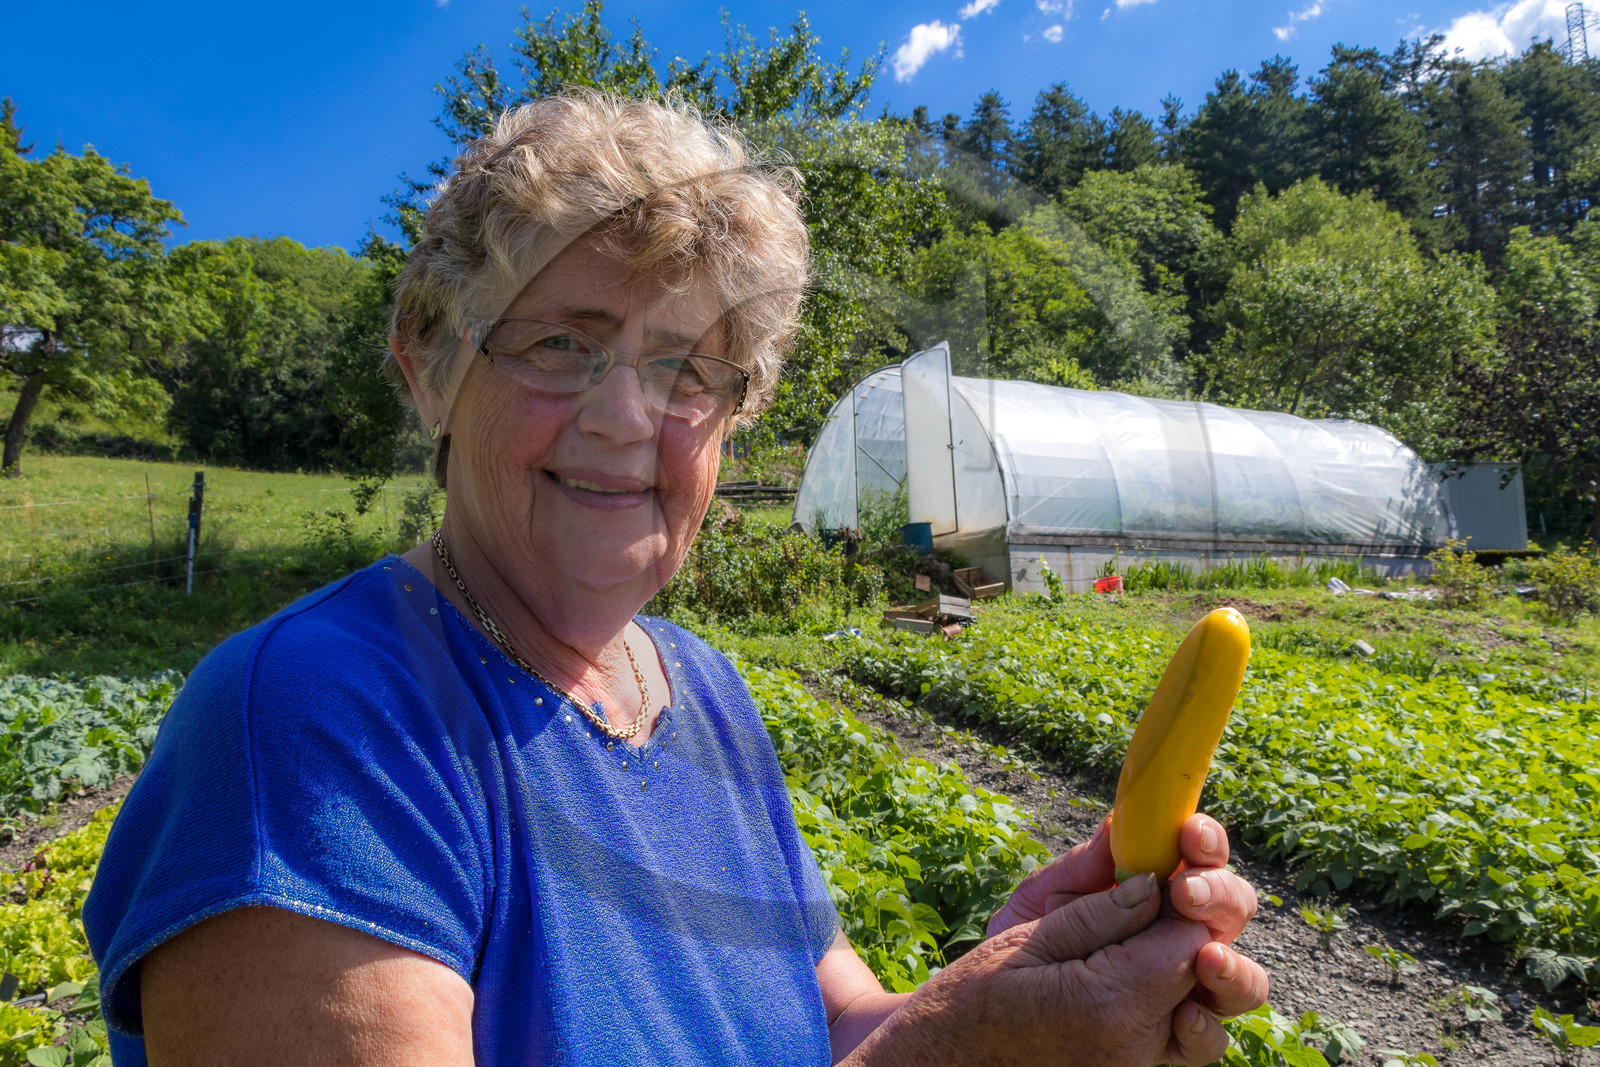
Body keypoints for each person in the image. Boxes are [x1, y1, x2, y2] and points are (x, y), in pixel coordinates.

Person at [82, 91, 1268, 1066]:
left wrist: (998, 988)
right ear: (432, 369)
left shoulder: (699, 690)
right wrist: (948, 1055)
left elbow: (839, 1024)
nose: (624, 418)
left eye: (688, 368)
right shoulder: (318, 718)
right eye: (563, 345)